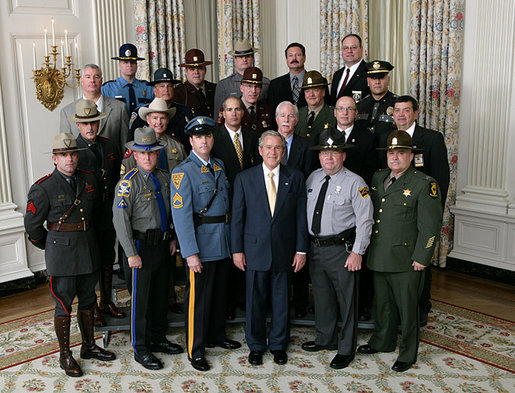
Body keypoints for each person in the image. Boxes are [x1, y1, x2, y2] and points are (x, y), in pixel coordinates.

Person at [24, 134, 115, 377]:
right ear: (55, 159)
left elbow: (95, 216)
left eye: (73, 154)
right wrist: (52, 246)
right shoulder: (43, 188)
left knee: (88, 302)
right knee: (63, 306)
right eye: (64, 155)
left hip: (87, 250)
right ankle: (65, 355)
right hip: (61, 257)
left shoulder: (89, 180)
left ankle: (88, 346)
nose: (70, 159)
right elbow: (32, 227)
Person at [357, 130, 443, 372]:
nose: (395, 157)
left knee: (407, 310)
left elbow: (430, 227)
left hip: (407, 260)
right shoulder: (378, 177)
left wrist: (422, 257)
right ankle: (382, 341)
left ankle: (407, 352)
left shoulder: (424, 184)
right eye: (391, 153)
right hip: (379, 254)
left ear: (411, 155)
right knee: (383, 304)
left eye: (401, 153)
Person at [231, 130, 309, 366]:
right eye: (269, 147)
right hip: (254, 251)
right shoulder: (245, 178)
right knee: (254, 301)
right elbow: (237, 218)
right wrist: (237, 250)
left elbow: (300, 218)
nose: (273, 152)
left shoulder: (295, 177)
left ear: (283, 151)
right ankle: (255, 345)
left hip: (285, 251)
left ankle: (278, 345)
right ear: (260, 150)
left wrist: (301, 250)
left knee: (281, 300)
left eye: (278, 148)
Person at [172, 116, 241, 372]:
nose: (204, 141)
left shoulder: (219, 165)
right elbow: (181, 217)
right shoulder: (182, 172)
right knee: (198, 301)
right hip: (201, 245)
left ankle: (216, 336)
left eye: (208, 136)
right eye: (199, 137)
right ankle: (195, 348)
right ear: (191, 141)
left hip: (222, 242)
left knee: (219, 295)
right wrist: (190, 253)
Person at [112, 127, 184, 370]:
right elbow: (120, 222)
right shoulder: (127, 184)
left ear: (157, 153)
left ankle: (158, 338)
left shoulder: (164, 178)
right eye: (142, 154)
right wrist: (131, 253)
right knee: (140, 302)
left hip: (163, 246)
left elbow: (172, 212)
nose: (147, 158)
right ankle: (140, 348)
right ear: (134, 154)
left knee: (160, 296)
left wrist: (172, 238)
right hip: (140, 248)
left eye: (151, 153)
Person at [302, 132, 373, 369]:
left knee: (347, 300)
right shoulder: (312, 178)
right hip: (316, 248)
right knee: (323, 298)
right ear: (319, 156)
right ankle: (326, 339)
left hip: (342, 250)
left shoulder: (356, 183)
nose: (328, 158)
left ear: (342, 155)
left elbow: (365, 220)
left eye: (333, 153)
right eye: (324, 153)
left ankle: (346, 349)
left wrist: (357, 252)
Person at [391, 95, 450, 327]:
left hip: (419, 217)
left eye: (406, 110)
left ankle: (421, 309)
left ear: (416, 113)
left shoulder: (432, 139)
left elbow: (441, 181)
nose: (401, 115)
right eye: (397, 110)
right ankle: (396, 310)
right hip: (395, 216)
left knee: (420, 263)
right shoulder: (388, 136)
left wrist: (432, 217)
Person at [68, 99, 125, 326]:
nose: (90, 127)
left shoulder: (110, 146)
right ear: (78, 126)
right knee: (90, 262)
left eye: (93, 122)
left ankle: (106, 302)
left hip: (108, 212)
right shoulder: (73, 151)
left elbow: (117, 177)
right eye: (85, 123)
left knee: (107, 258)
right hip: (86, 216)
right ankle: (91, 308)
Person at [212, 96, 259, 319]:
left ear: (243, 112)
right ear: (223, 113)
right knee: (230, 256)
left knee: (247, 253)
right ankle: (229, 305)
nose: (234, 113)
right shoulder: (215, 138)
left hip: (251, 204)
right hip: (226, 204)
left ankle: (245, 300)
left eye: (237, 109)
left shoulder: (252, 137)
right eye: (229, 109)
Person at [60, 64, 129, 152]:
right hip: (82, 164)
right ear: (82, 81)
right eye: (88, 77)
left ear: (101, 80)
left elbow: (125, 145)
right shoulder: (67, 112)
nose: (92, 80)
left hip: (112, 164)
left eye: (96, 77)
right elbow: (65, 150)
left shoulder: (119, 108)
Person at [128, 68, 193, 150]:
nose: (166, 90)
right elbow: (131, 143)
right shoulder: (140, 114)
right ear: (155, 90)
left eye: (169, 86)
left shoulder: (184, 112)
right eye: (162, 86)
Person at [121, 97, 187, 175]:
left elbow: (186, 173)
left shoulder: (177, 146)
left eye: (162, 118)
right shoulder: (136, 147)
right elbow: (126, 179)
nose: (159, 122)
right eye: (155, 118)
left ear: (167, 120)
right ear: (148, 119)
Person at [213, 39, 270, 117]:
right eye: (240, 57)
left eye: (247, 56)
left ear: (253, 59)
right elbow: (218, 115)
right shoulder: (224, 85)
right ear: (235, 60)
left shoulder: (266, 83)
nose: (244, 59)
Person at [355, 60, 397, 159]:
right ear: (368, 82)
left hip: (388, 157)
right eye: (373, 78)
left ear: (388, 80)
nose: (377, 82)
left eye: (381, 78)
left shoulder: (398, 104)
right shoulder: (359, 105)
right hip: (363, 157)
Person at [332, 96, 376, 186]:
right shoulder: (323, 136)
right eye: (340, 109)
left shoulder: (368, 139)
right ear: (335, 112)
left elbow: (369, 173)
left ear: (356, 113)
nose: (345, 113)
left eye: (350, 109)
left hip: (355, 188)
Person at [102, 43, 154, 114]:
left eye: (132, 62)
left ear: (136, 65)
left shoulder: (148, 88)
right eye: (125, 62)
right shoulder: (108, 88)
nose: (129, 65)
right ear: (119, 65)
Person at [295, 71, 336, 145]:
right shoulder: (299, 113)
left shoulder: (334, 114)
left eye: (315, 90)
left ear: (323, 92)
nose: (311, 94)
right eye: (307, 91)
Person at [275, 101, 314, 179]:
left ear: (296, 121)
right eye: (282, 116)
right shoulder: (265, 143)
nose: (286, 120)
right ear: (277, 119)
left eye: (290, 116)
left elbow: (307, 176)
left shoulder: (306, 147)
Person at [174, 49, 216, 118]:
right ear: (186, 71)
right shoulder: (178, 93)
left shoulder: (215, 89)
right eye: (192, 69)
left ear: (205, 70)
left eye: (200, 68)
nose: (196, 72)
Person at [330, 34, 369, 105]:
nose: (349, 51)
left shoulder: (368, 72)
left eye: (353, 47)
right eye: (346, 48)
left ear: (361, 49)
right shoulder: (337, 75)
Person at [267, 42, 307, 109]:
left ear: (304, 58)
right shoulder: (275, 85)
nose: (294, 58)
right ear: (286, 59)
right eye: (290, 55)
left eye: (298, 55)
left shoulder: (319, 82)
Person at [237, 67, 275, 134]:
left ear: (261, 89)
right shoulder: (231, 109)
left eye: (257, 87)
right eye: (249, 86)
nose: (253, 91)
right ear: (241, 88)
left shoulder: (268, 110)